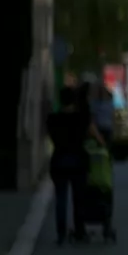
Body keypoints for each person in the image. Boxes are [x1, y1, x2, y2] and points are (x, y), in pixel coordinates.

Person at [47, 86, 107, 244]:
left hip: (59, 160)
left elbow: (51, 136)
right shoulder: (82, 118)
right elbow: (97, 137)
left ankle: (61, 234)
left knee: (61, 197)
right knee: (79, 198)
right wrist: (101, 144)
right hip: (78, 161)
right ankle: (79, 231)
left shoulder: (53, 119)